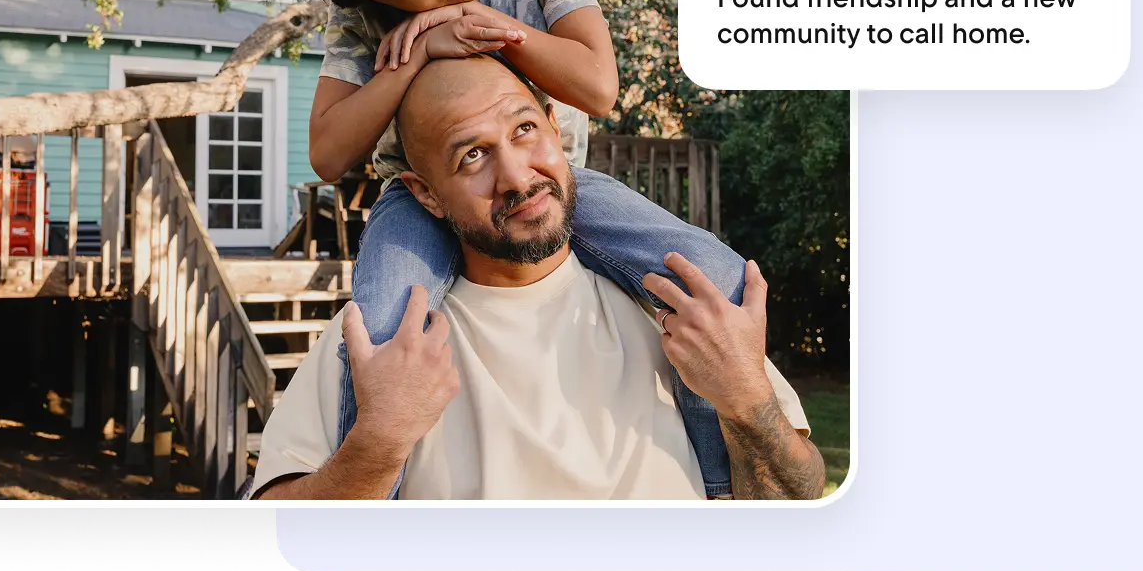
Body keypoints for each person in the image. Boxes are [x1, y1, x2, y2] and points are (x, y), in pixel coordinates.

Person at [280, 0, 752, 497]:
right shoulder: (362, 17)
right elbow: (328, 154)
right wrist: (416, 54)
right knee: (383, 330)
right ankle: (378, 507)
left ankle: (719, 485)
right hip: (421, 197)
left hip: (554, 185)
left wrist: (482, 24)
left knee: (716, 276)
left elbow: (597, 88)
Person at [253, 55, 825, 500]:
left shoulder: (681, 313)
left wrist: (747, 399)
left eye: (524, 129)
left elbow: (796, 506)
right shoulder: (377, 343)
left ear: (555, 127)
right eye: (471, 156)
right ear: (426, 194)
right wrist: (379, 440)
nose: (516, 176)